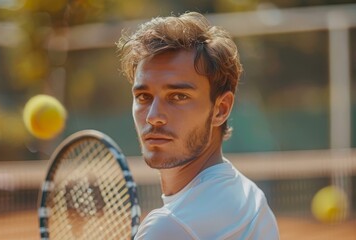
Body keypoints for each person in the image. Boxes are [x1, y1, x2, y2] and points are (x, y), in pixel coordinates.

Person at [117, 12, 279, 240]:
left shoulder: (170, 226)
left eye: (178, 96)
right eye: (144, 97)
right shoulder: (251, 197)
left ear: (221, 109)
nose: (153, 116)